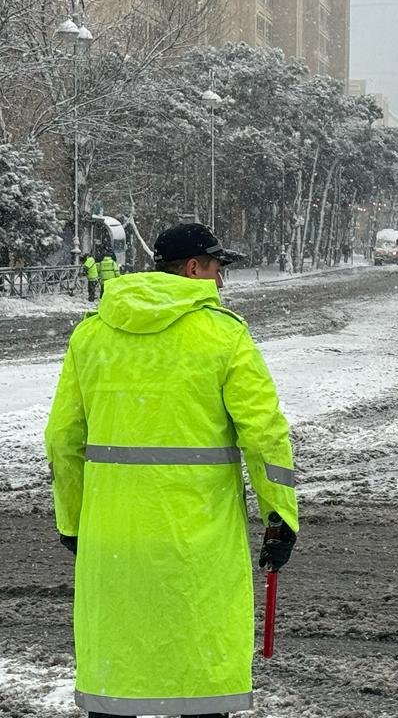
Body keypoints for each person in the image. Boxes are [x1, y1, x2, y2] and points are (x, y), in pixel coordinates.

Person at [45, 223, 299, 718]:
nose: (221, 283)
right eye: (217, 269)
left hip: (113, 537)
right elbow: (265, 434)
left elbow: (63, 440)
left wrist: (74, 522)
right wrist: (280, 516)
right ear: (193, 269)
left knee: (116, 662)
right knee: (198, 664)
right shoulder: (224, 335)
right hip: (196, 537)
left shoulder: (91, 335)